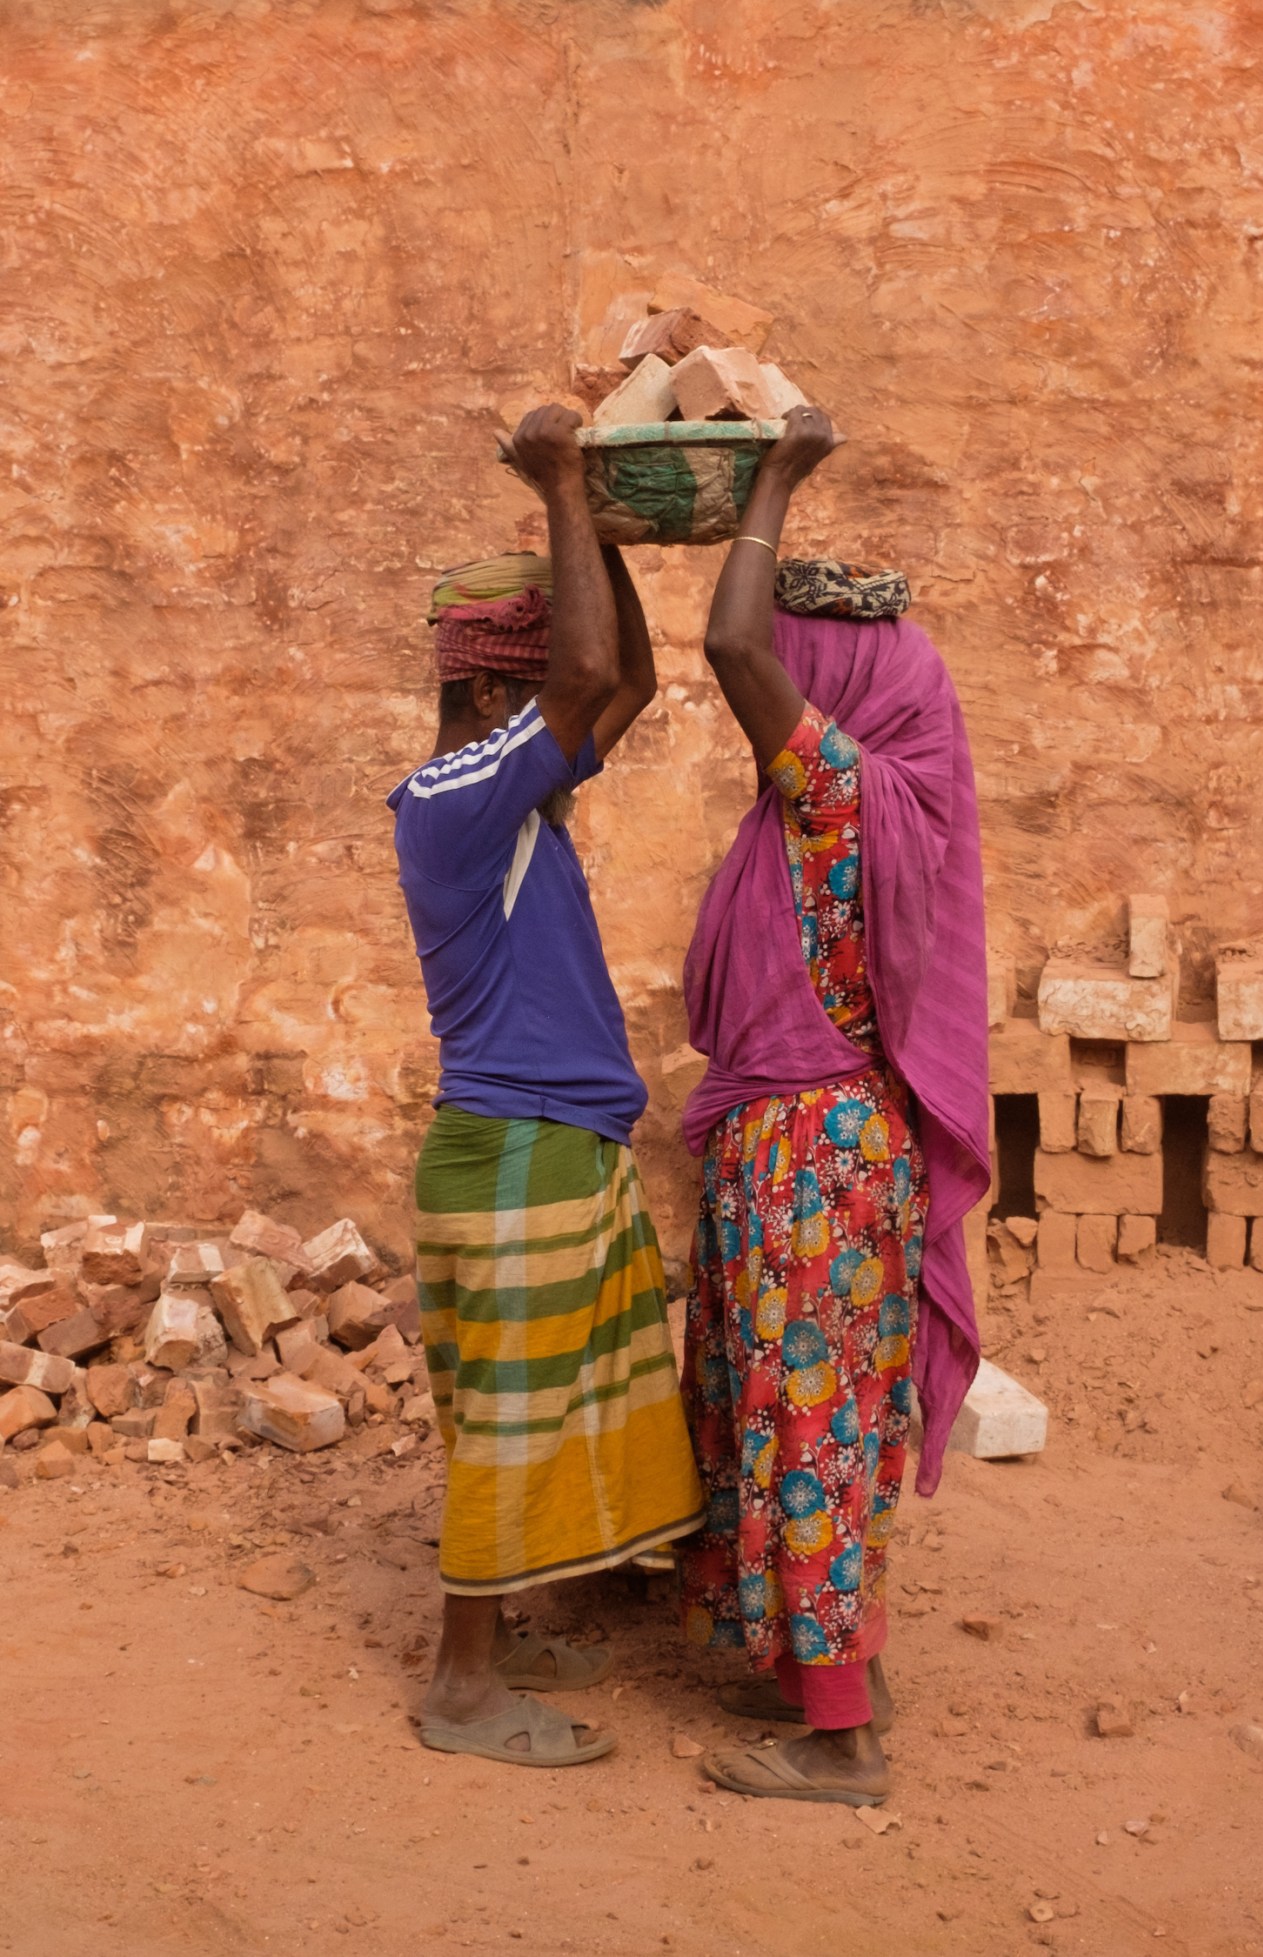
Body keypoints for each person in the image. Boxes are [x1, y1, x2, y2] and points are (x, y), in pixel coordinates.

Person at [676, 407, 990, 1806]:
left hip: (808, 1153)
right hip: (823, 1148)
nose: (766, 701)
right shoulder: (869, 803)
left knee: (805, 1420)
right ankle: (828, 1663)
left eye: (797, 682)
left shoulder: (843, 798)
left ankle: (838, 1740)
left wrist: (774, 484)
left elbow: (731, 644)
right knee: (814, 1415)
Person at [387, 404, 704, 1769]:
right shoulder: (454, 791)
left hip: (545, 1141)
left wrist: (609, 522)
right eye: (534, 694)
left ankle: (500, 1631)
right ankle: (460, 1685)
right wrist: (564, 484)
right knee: (508, 1424)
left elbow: (620, 683)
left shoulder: (519, 794)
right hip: (513, 1145)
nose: (559, 718)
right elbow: (587, 680)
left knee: (543, 1404)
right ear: (489, 694)